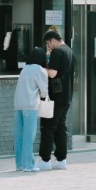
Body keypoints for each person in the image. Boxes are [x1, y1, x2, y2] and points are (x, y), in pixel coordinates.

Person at [38, 29, 75, 171]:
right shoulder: (70, 51)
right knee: (61, 128)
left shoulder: (57, 52)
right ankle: (61, 160)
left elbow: (52, 74)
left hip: (55, 97)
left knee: (48, 127)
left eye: (48, 44)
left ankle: (45, 160)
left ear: (53, 40)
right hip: (66, 96)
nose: (48, 47)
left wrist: (40, 69)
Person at [13, 48, 49, 172]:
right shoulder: (40, 70)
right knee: (29, 136)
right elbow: (44, 92)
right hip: (30, 105)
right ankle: (29, 165)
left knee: (19, 136)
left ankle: (19, 165)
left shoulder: (25, 69)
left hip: (18, 104)